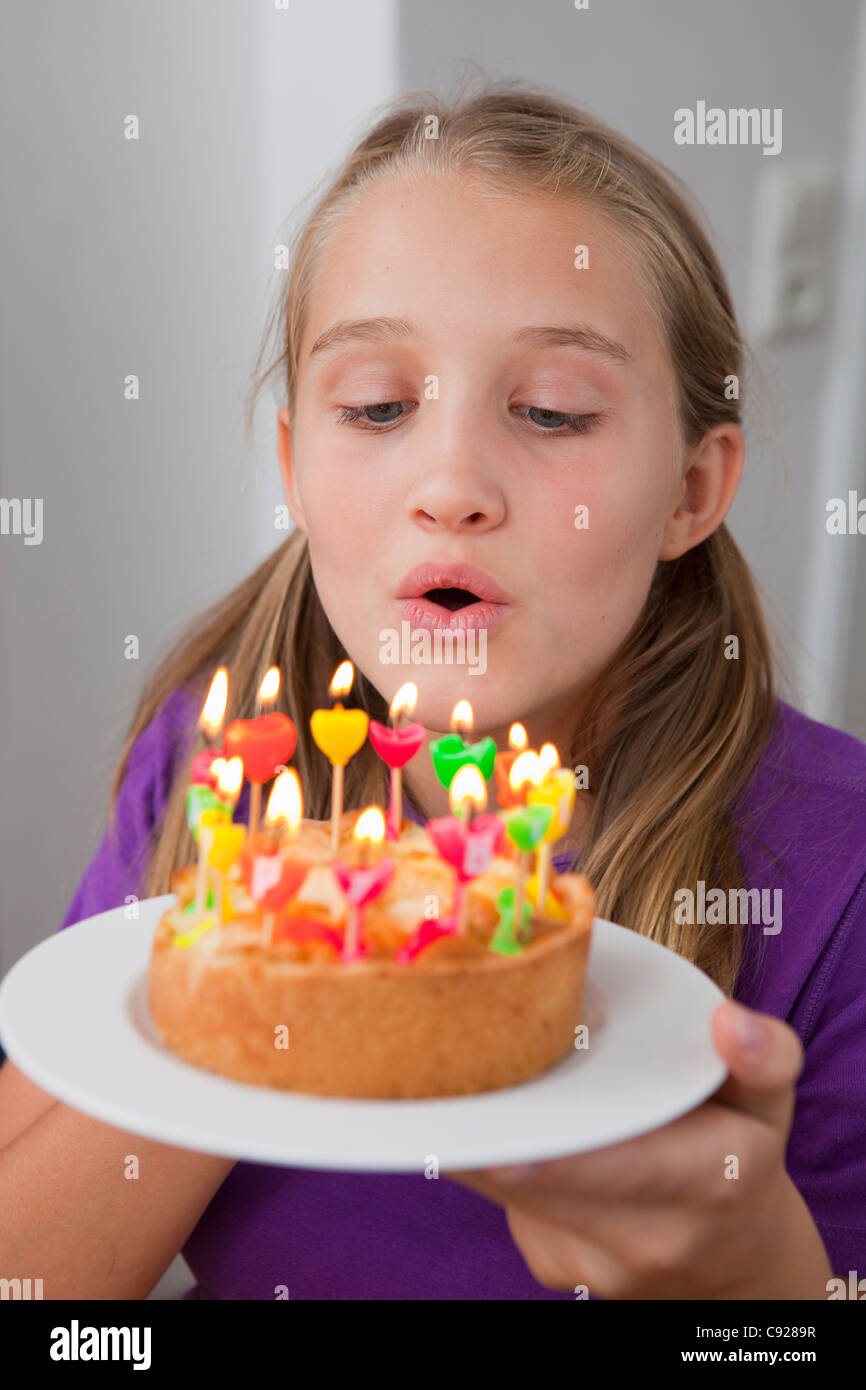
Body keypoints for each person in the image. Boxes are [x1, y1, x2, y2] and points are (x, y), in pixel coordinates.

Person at [2, 79, 864, 1300]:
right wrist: (252, 992)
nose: (449, 481)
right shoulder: (216, 760)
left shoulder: (839, 877)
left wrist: (751, 1279)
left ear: (688, 490)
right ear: (297, 464)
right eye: (378, 406)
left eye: (552, 412)